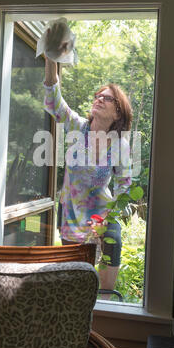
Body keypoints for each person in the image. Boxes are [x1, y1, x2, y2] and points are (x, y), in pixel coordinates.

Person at [43, 50, 133, 300]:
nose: (99, 99)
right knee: (72, 291)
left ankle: (102, 332)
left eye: (107, 98)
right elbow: (53, 99)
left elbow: (125, 190)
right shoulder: (76, 127)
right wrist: (51, 59)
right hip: (71, 218)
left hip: (103, 222)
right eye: (98, 96)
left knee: (103, 296)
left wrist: (105, 221)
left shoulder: (120, 145)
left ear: (117, 113)